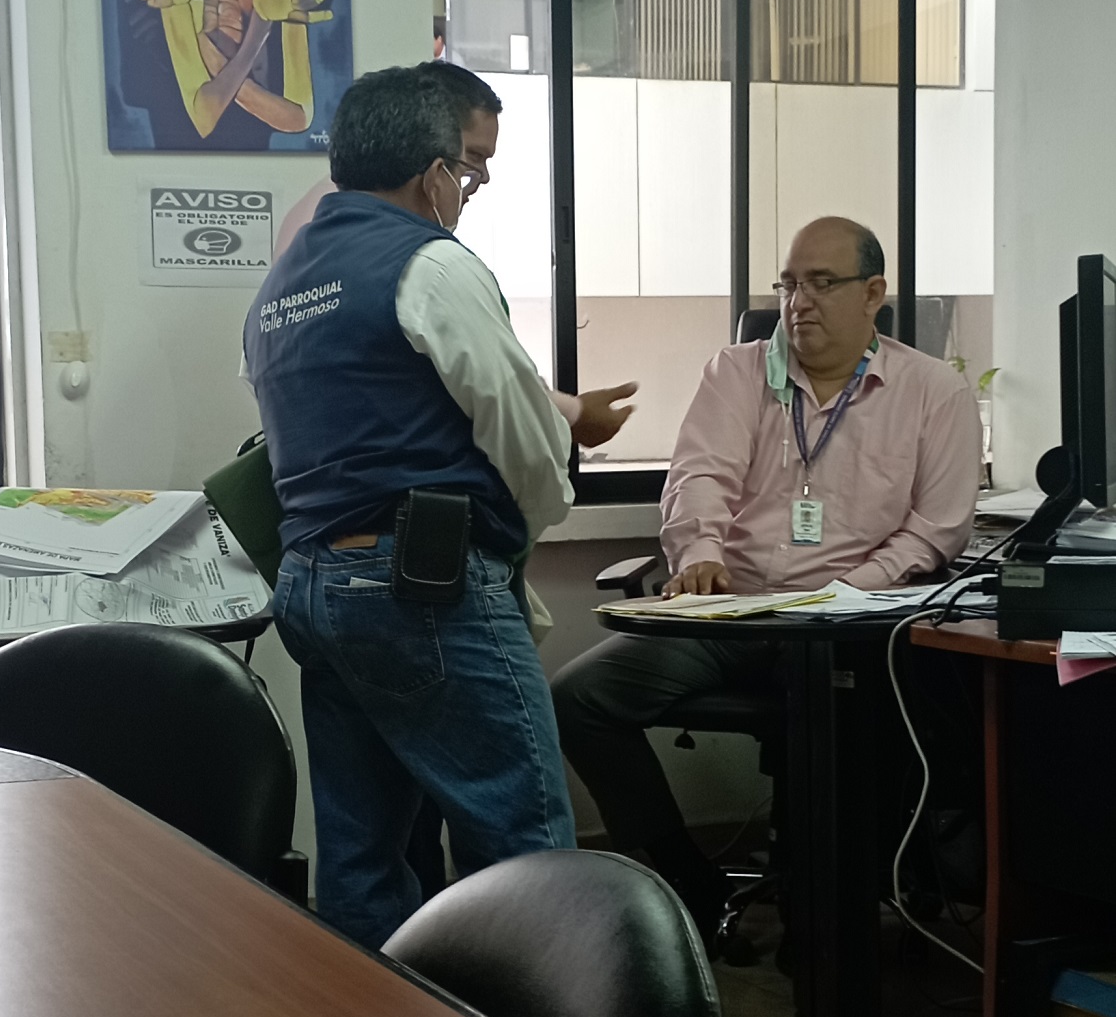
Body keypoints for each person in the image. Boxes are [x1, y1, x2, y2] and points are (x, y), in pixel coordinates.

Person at [243, 64, 632, 948]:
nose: (468, 188)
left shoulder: (281, 286)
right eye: (466, 171)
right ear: (433, 178)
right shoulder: (430, 261)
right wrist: (528, 525)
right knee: (525, 836)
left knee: (362, 852)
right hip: (423, 581)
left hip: (313, 587)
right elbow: (520, 426)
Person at [551, 216, 984, 939]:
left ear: (872, 293)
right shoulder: (739, 371)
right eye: (788, 284)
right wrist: (700, 553)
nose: (798, 302)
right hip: (733, 607)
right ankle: (686, 881)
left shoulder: (933, 391)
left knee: (853, 712)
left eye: (822, 283)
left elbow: (937, 529)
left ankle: (832, 916)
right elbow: (699, 478)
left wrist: (846, 594)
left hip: (846, 622)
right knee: (578, 698)